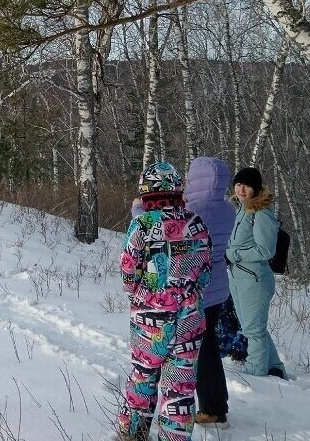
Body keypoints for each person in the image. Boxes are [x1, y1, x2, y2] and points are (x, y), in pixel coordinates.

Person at [118, 162, 211, 441]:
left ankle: (132, 434)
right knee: (180, 389)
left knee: (143, 377)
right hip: (190, 319)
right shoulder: (196, 223)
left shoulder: (143, 223)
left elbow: (128, 269)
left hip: (151, 318)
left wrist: (140, 294)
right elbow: (206, 271)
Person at [183, 157, 235, 428]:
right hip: (218, 284)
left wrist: (137, 213)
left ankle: (213, 409)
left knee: (202, 350)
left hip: (198, 285)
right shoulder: (227, 209)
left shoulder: (193, 210)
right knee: (209, 346)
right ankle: (216, 403)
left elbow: (169, 233)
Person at [226, 167, 286, 379]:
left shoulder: (261, 212)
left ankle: (256, 374)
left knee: (254, 330)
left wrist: (233, 255)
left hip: (255, 279)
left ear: (256, 188)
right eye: (239, 184)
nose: (241, 189)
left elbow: (266, 250)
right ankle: (275, 368)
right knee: (252, 327)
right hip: (239, 277)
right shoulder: (242, 208)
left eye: (247, 185)